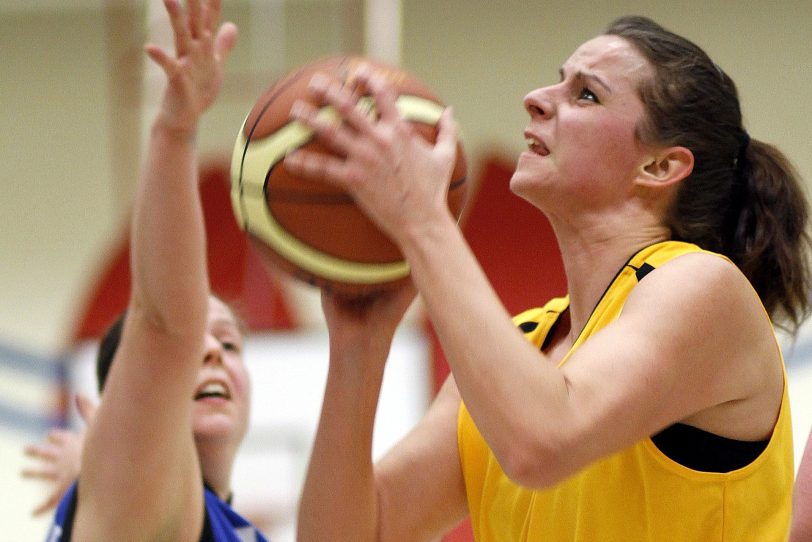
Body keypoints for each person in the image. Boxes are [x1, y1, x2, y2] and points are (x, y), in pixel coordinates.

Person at [284, 15, 811, 541]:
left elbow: (542, 443)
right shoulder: (523, 346)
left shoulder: (703, 287)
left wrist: (422, 221)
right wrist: (359, 346)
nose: (536, 97)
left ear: (658, 167)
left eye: (586, 95)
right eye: (559, 80)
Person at [41, 0, 268, 539]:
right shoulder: (133, 500)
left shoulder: (235, 528)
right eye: (199, 344)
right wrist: (175, 130)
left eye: (229, 345)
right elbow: (166, 324)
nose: (211, 350)